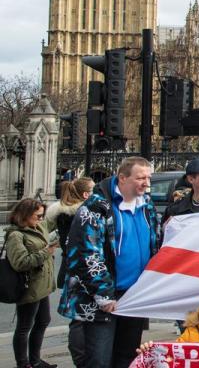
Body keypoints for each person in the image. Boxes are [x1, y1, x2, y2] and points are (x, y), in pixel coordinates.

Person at [60, 156, 160, 368]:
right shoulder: (96, 207)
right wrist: (104, 294)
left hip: (133, 297)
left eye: (148, 178)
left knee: (127, 358)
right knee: (99, 360)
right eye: (140, 178)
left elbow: (156, 241)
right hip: (103, 301)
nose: (146, 183)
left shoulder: (147, 205)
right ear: (122, 178)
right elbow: (86, 253)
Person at [6, 198, 58, 368]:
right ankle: (23, 363)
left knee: (43, 321)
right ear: (25, 215)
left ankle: (35, 360)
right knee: (24, 327)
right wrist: (46, 252)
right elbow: (20, 262)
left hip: (42, 286)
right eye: (38, 216)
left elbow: (54, 221)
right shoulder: (16, 235)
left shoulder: (38, 227)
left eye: (42, 215)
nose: (41, 219)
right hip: (28, 287)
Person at [45, 177, 94, 287]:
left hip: (67, 262)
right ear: (86, 195)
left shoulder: (62, 212)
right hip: (82, 266)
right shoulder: (85, 214)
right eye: (93, 190)